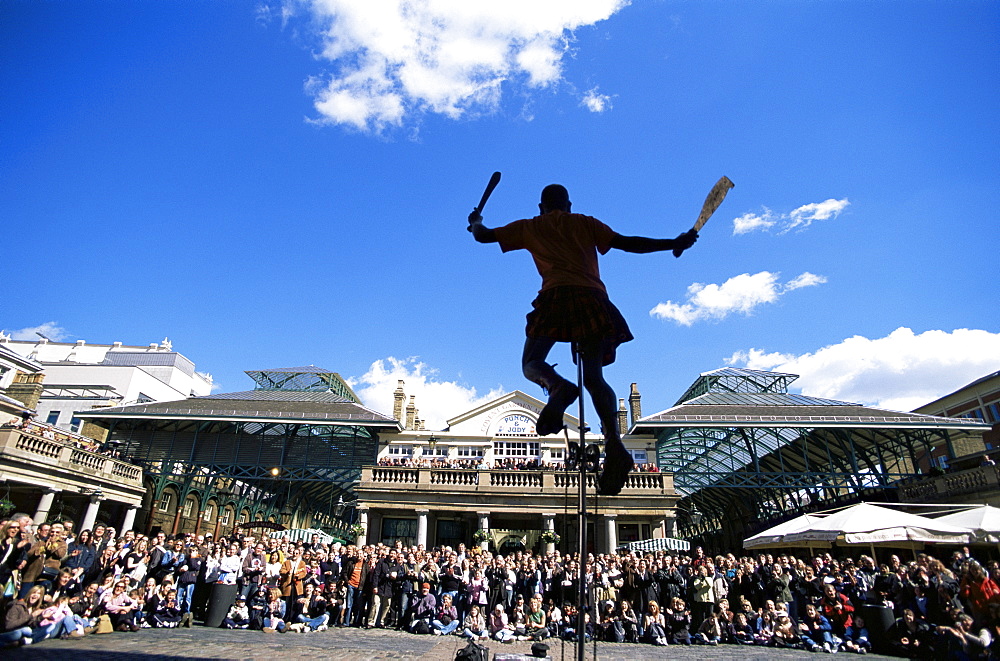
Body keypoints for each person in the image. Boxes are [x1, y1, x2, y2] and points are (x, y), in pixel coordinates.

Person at [469, 183, 698, 494]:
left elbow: (484, 236)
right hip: (592, 299)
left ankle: (558, 385)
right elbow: (628, 243)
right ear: (570, 205)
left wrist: (476, 222)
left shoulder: (530, 226)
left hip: (555, 298)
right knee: (594, 376)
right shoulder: (585, 223)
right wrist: (673, 242)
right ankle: (614, 443)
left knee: (531, 362)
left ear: (541, 207)